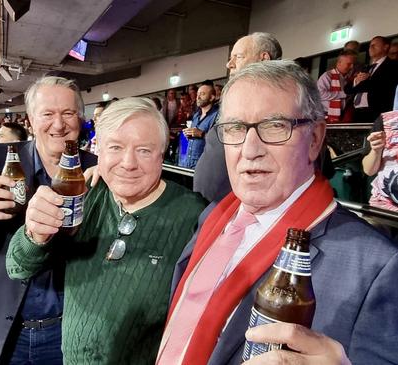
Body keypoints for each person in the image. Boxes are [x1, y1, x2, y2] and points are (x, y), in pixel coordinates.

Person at [157, 60, 398, 365]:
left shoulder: (376, 267)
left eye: (275, 126)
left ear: (314, 139)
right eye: (235, 128)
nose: (249, 148)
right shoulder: (214, 216)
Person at [6, 97, 205, 364]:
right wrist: (35, 234)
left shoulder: (195, 215)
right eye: (115, 147)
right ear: (98, 151)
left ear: (162, 153)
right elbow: (18, 267)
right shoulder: (84, 194)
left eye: (144, 150)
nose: (128, 163)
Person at [0, 76, 97, 365]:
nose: (59, 124)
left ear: (81, 118)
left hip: (68, 331)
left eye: (68, 113)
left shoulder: (98, 170)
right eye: (48, 114)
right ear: (31, 120)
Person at [193, 32, 282, 203]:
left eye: (238, 57)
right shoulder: (236, 102)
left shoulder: (283, 105)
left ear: (264, 58)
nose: (229, 64)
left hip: (237, 210)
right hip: (212, 212)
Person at [346, 35, 398, 122]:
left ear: (385, 47)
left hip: (378, 114)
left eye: (374, 45)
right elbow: (347, 89)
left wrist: (363, 83)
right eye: (370, 45)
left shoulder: (393, 65)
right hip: (357, 112)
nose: (370, 48)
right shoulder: (366, 68)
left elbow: (380, 85)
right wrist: (356, 80)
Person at [179, 83, 219, 168]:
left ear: (211, 97)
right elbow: (193, 138)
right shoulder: (196, 115)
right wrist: (188, 135)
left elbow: (219, 140)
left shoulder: (217, 115)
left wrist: (201, 134)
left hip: (204, 166)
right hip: (189, 164)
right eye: (197, 94)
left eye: (202, 94)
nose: (198, 97)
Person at [317, 49, 357, 123]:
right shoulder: (327, 76)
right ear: (339, 63)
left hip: (342, 116)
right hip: (326, 116)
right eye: (349, 64)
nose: (352, 67)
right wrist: (343, 93)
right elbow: (320, 94)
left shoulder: (348, 78)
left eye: (353, 64)